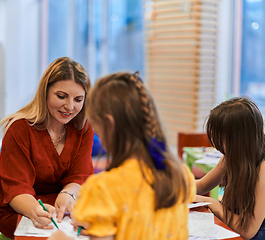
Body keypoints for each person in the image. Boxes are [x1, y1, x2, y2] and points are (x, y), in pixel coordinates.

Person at [48, 72, 196, 240]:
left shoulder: (104, 188)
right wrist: (100, 221)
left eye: (97, 127)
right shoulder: (181, 175)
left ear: (109, 124)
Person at [0, 57, 94, 238]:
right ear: (45, 93)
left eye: (78, 99)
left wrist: (68, 194)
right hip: (19, 208)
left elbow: (81, 176)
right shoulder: (19, 129)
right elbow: (16, 189)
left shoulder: (83, 127)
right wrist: (34, 210)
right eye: (61, 96)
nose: (70, 107)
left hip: (63, 206)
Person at [195, 97, 265, 240]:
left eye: (220, 137)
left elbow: (248, 231)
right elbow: (201, 185)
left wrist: (212, 203)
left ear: (239, 138)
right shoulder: (233, 155)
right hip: (232, 230)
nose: (215, 143)